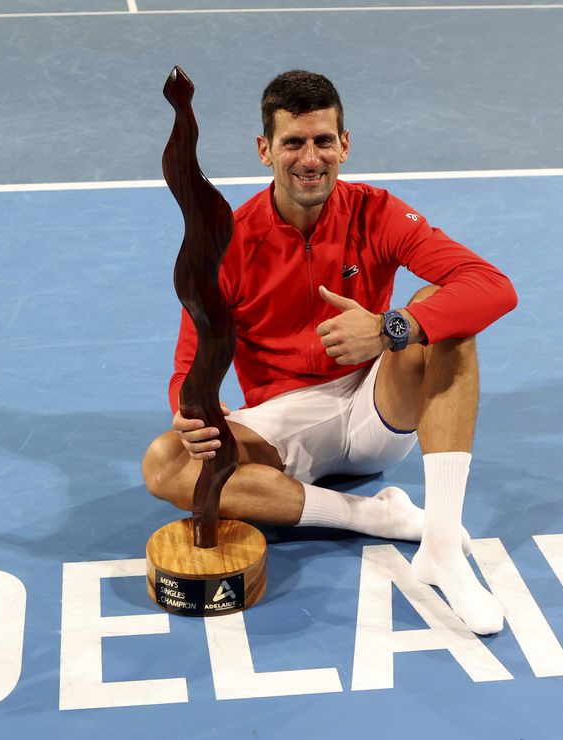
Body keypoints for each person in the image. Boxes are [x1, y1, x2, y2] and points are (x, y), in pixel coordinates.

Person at [141, 70, 517, 634]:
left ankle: (441, 545)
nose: (309, 157)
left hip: (377, 406)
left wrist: (393, 328)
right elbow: (188, 361)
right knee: (165, 463)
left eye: (323, 140)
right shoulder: (228, 241)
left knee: (444, 313)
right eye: (293, 142)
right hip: (282, 424)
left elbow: (492, 286)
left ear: (345, 143)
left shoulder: (378, 212)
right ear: (265, 149)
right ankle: (373, 517)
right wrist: (188, 412)